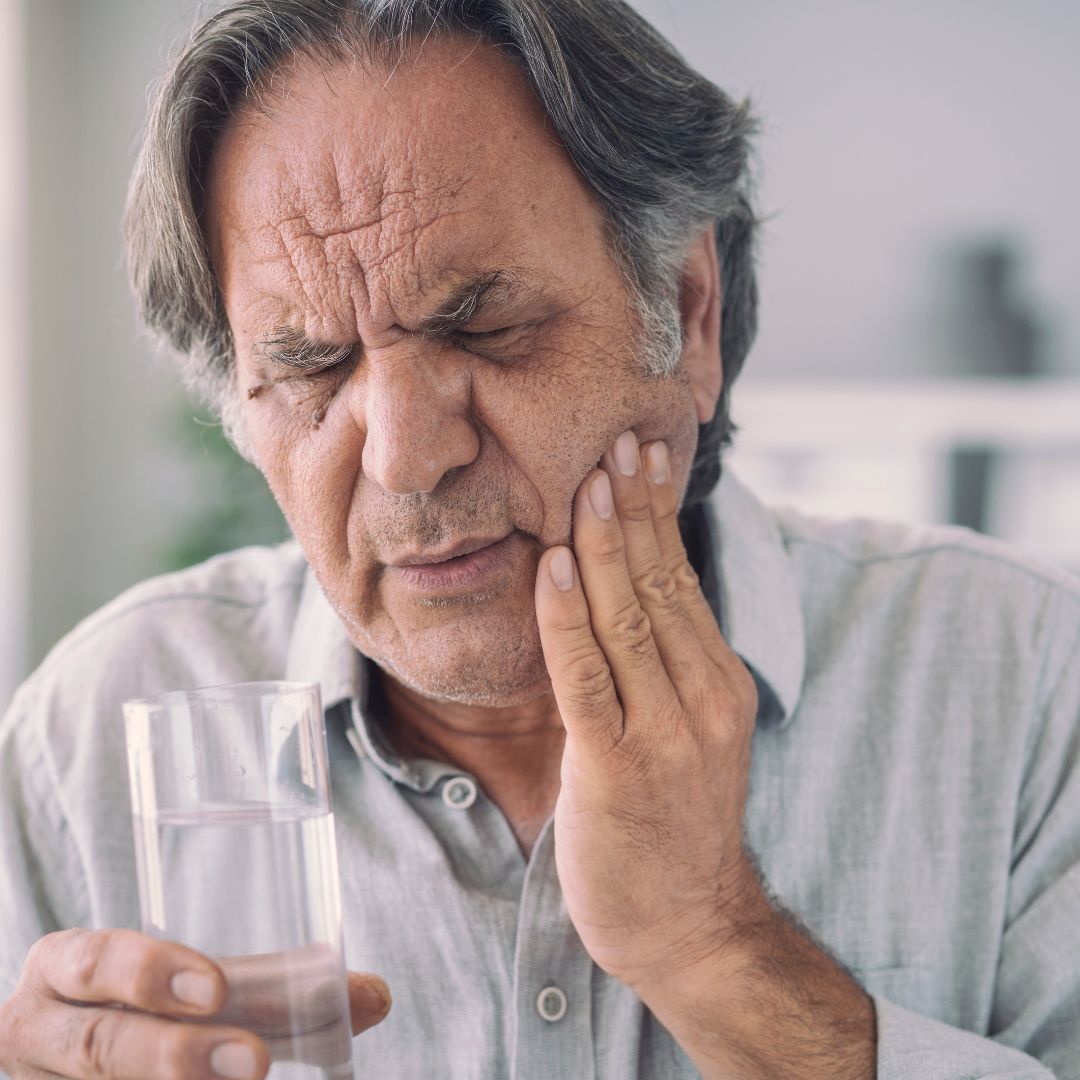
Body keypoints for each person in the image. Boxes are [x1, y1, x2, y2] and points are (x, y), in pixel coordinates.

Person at [1, 2, 1077, 1077]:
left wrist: (709, 943)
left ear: (689, 310)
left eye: (485, 327)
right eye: (312, 367)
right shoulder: (93, 729)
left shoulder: (1028, 684)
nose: (406, 459)